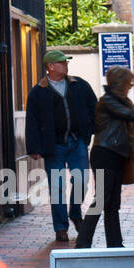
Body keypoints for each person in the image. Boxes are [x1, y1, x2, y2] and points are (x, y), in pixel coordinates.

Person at [25, 49, 97, 243]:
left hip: (77, 141)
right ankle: (60, 227)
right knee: (57, 187)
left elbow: (93, 107)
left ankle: (75, 213)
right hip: (53, 146)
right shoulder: (37, 92)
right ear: (51, 66)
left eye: (66, 62)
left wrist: (89, 130)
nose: (66, 65)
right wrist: (34, 148)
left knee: (81, 181)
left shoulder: (79, 85)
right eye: (62, 63)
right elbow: (31, 121)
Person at [75, 66, 134, 249]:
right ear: (120, 84)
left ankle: (115, 242)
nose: (130, 86)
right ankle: (83, 241)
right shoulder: (108, 101)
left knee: (113, 203)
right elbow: (131, 115)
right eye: (128, 83)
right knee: (101, 199)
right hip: (105, 155)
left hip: (116, 154)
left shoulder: (120, 100)